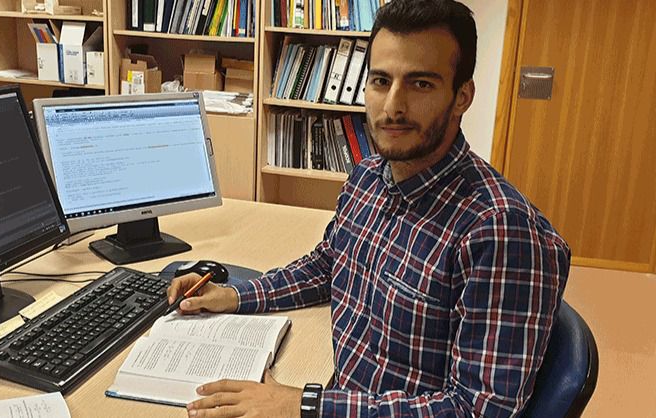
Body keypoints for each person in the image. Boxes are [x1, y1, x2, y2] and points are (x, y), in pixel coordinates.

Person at [169, 0, 571, 416]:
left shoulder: (501, 231)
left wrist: (305, 406)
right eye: (380, 80)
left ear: (462, 97)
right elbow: (327, 266)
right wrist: (234, 295)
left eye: (421, 84)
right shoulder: (368, 177)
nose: (393, 106)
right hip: (343, 393)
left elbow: (477, 409)